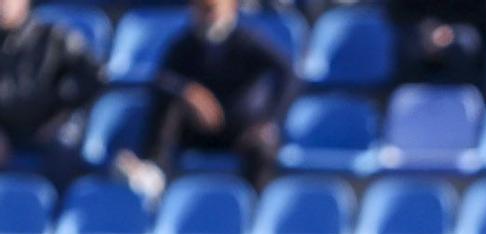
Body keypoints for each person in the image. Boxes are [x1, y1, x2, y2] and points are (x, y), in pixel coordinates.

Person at [115, 0, 294, 197]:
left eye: (210, 9)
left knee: (263, 148)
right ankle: (154, 172)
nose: (204, 16)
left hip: (241, 132)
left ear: (231, 7)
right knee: (171, 106)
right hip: (200, 132)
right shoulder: (184, 45)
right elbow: (160, 80)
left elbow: (288, 73)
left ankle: (256, 208)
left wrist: (270, 121)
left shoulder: (248, 41)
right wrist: (187, 91)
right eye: (199, 8)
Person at [0, 0, 104, 185]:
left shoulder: (55, 37)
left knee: (64, 145)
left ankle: (60, 208)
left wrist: (61, 118)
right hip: (6, 129)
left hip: (50, 125)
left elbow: (94, 79)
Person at [388, 0, 486, 87]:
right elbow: (398, 15)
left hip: (458, 37)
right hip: (416, 34)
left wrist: (447, 32)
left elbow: (478, 18)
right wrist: (425, 30)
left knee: (467, 40)